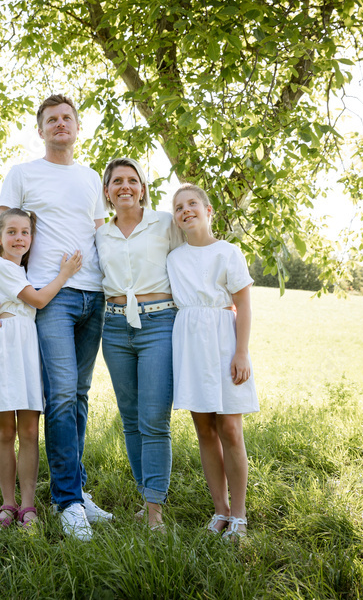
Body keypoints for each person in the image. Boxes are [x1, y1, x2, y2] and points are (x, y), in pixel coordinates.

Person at [0, 94, 113, 541]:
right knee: (60, 396)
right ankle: (67, 501)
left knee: (80, 396)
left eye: (66, 118)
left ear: (77, 126)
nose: (59, 125)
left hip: (95, 295)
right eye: (51, 119)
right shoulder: (23, 174)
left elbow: (101, 236)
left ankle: (75, 489)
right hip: (53, 297)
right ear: (40, 129)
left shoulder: (92, 178)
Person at [0, 207, 83, 531]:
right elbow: (37, 301)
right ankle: (8, 503)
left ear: (32, 238)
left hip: (27, 352)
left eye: (25, 232)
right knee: (6, 431)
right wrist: (64, 274)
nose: (19, 238)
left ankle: (27, 505)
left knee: (30, 432)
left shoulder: (21, 271)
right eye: (12, 232)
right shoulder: (1, 269)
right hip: (7, 349)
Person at [165, 183, 257, 540]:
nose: (186, 210)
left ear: (208, 211)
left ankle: (239, 514)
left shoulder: (228, 252)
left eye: (192, 204)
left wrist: (241, 351)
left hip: (222, 340)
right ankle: (219, 509)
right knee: (204, 428)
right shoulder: (174, 258)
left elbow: (244, 304)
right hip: (188, 343)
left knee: (230, 429)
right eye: (178, 207)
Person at [95, 158, 182, 531]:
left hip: (159, 322)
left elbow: (192, 257)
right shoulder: (100, 233)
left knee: (154, 420)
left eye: (133, 180)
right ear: (107, 192)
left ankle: (155, 512)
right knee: (130, 420)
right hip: (114, 327)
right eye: (117, 181)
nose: (125, 186)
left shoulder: (164, 222)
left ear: (143, 188)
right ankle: (144, 494)